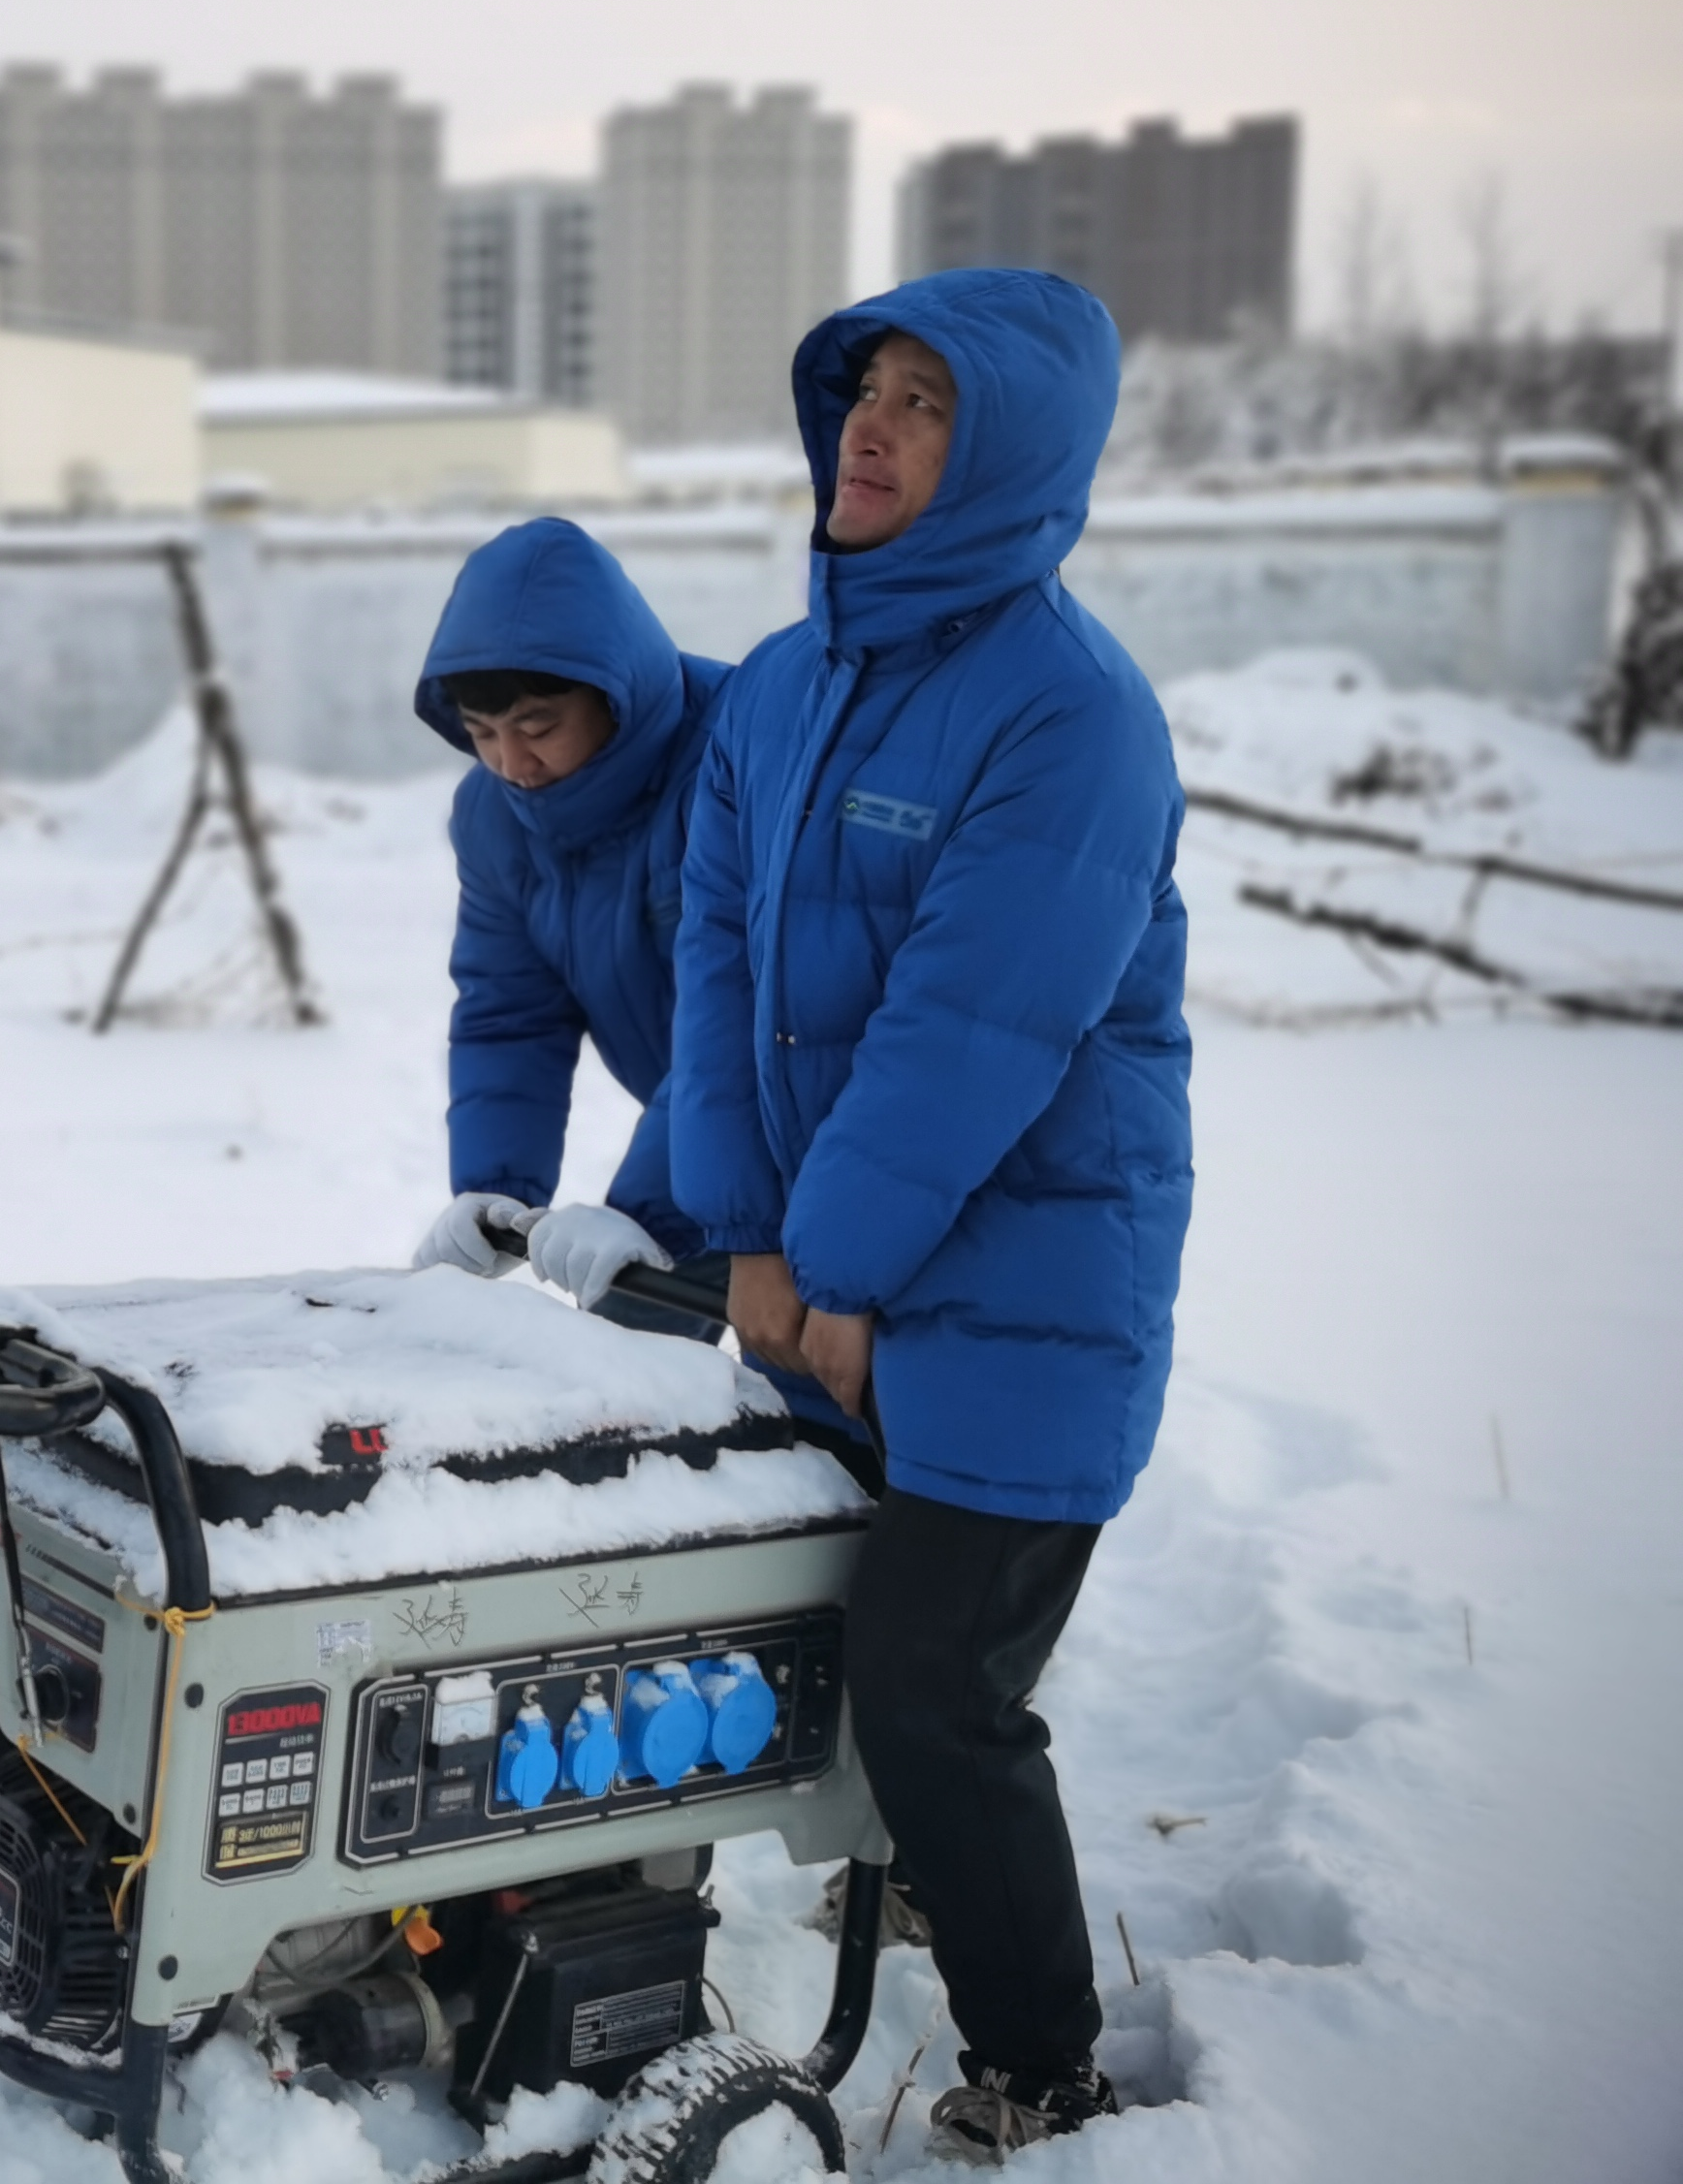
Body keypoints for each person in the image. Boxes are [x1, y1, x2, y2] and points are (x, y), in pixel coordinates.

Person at [669, 267, 1191, 2165]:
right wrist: (750, 1230)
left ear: (1016, 455)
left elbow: (977, 1027)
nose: (872, 430)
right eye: (863, 393)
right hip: (827, 1260)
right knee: (778, 1624)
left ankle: (1043, 2071)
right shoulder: (788, 688)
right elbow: (715, 962)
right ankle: (836, 1897)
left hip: (1031, 1280)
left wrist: (844, 1267)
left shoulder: (1072, 719)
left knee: (930, 1682)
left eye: (932, 406)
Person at [402, 519, 747, 1344]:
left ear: (614, 692)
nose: (512, 764)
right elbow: (509, 1011)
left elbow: (747, 1015)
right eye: (482, 735)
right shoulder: (496, 817)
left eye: (537, 726)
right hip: (704, 1125)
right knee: (632, 1379)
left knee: (827, 1422)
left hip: (823, 1113)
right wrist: (495, 1189)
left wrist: (651, 1216)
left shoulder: (738, 764)